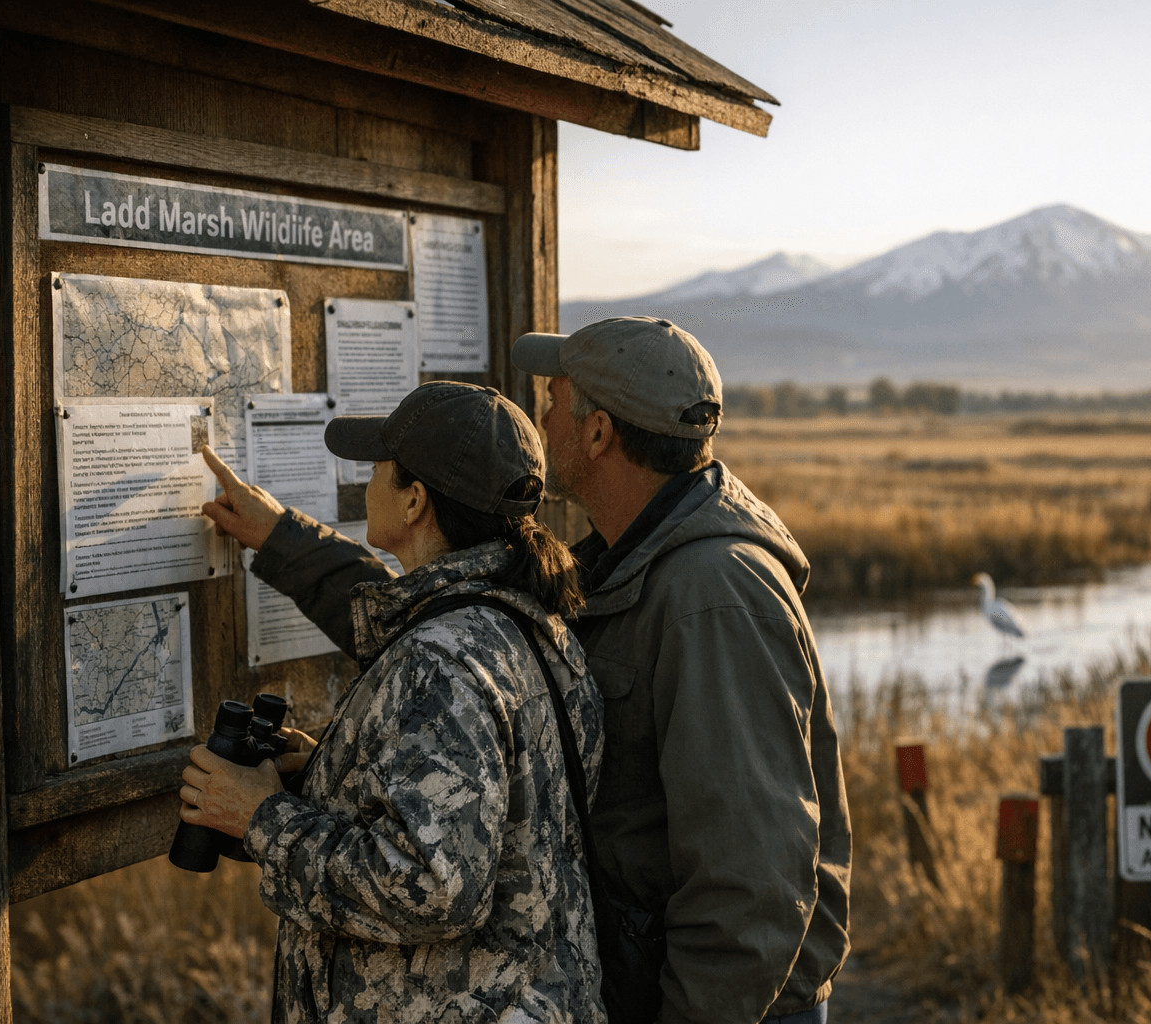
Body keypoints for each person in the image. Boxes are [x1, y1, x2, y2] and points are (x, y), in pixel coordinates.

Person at [177, 382, 607, 1024]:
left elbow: (433, 888)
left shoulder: (441, 661)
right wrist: (334, 773)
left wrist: (259, 818)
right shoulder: (526, 619)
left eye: (377, 470)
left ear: (414, 501)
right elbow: (488, 812)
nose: (365, 482)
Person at [512, 316, 850, 1024]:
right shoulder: (632, 556)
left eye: (553, 397)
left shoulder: (713, 595)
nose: (540, 417)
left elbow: (751, 881)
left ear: (598, 432)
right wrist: (288, 547)